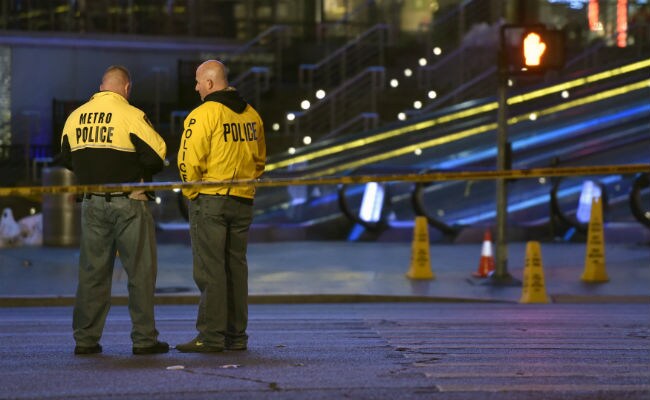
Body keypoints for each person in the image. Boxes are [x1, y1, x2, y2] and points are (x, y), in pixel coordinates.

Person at [59, 65, 169, 355]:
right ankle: (144, 340)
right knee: (140, 273)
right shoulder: (131, 115)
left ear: (101, 86)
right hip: (129, 201)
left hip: (92, 203)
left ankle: (85, 340)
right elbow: (158, 156)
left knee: (92, 273)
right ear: (126, 88)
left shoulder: (75, 117)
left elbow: (68, 158)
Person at [176, 60, 266, 352]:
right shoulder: (251, 114)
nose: (196, 87)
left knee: (210, 269)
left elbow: (189, 161)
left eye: (199, 82)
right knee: (236, 269)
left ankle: (211, 336)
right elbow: (260, 160)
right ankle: (236, 336)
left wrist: (193, 194)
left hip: (211, 199)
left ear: (211, 84)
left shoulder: (203, 114)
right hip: (243, 199)